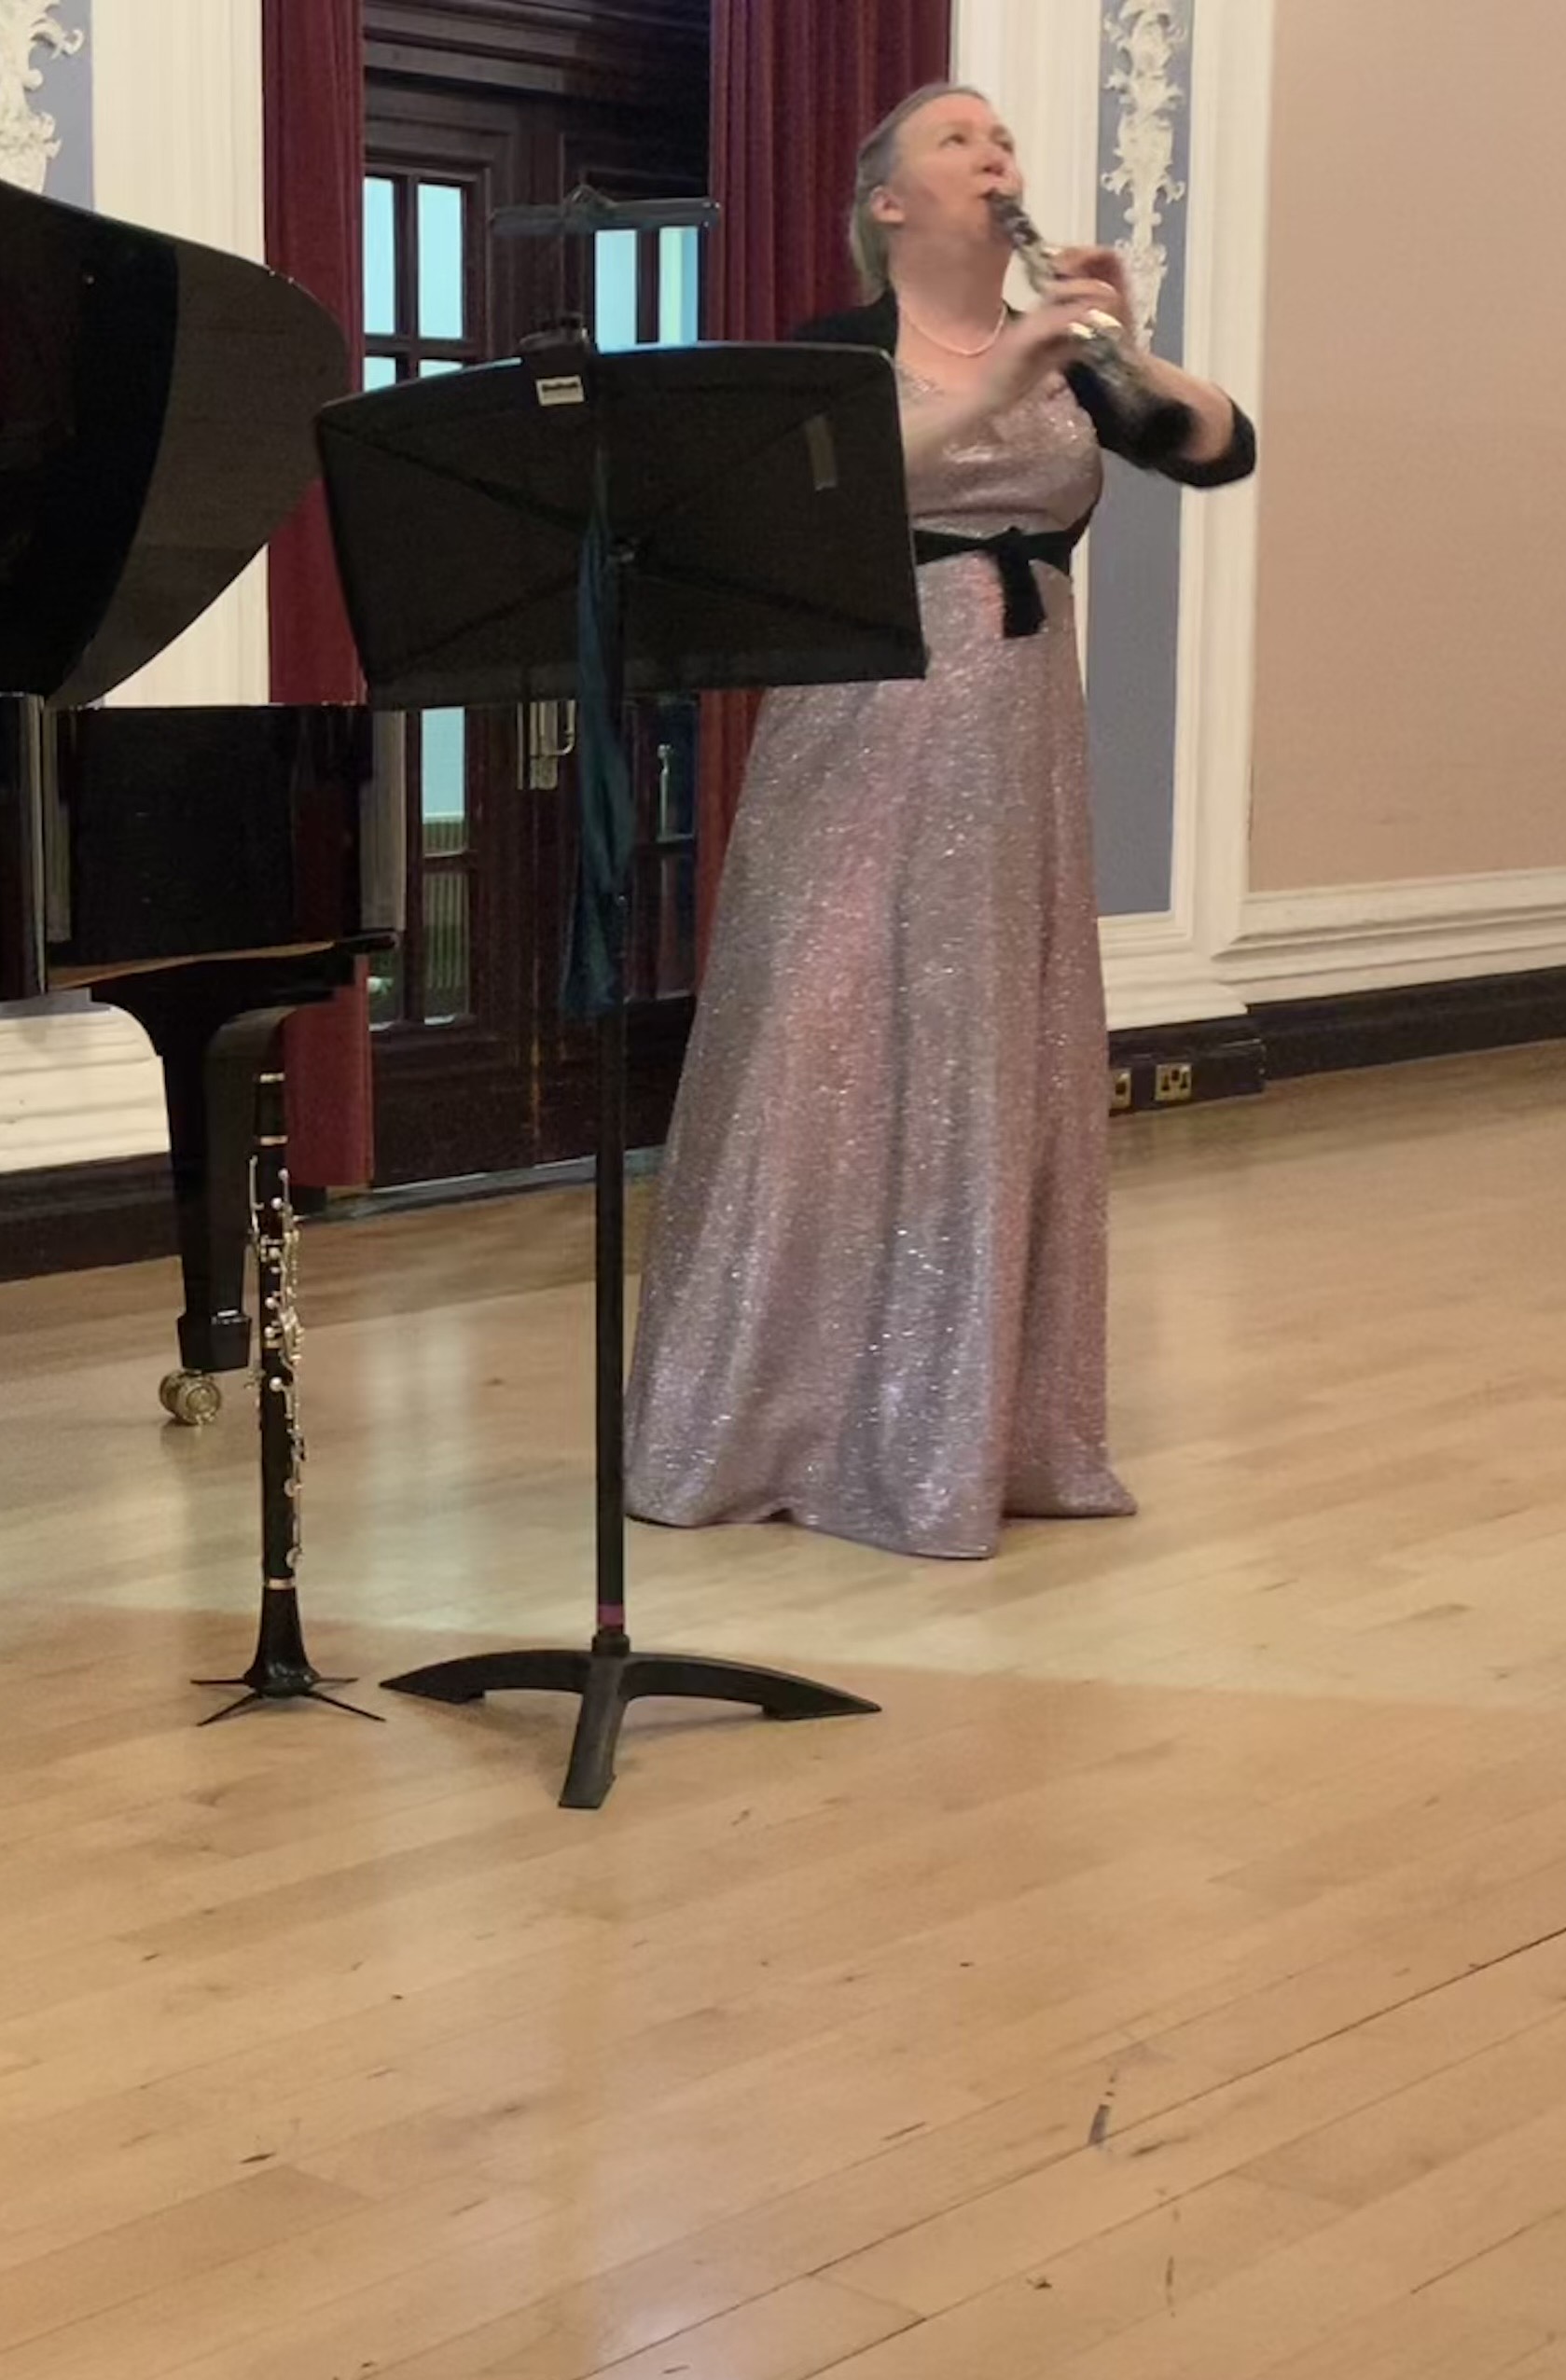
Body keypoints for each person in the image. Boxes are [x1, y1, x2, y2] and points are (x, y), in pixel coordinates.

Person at [622, 86, 1257, 1562]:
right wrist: (997, 380)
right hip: (860, 723)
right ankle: (758, 1419)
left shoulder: (1075, 359)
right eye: (958, 141)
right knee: (815, 1036)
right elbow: (813, 487)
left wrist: (1123, 342)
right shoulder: (837, 351)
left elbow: (1220, 448)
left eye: (1002, 141)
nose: (995, 156)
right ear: (890, 203)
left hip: (1016, 748)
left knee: (988, 1048)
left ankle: (954, 1423)